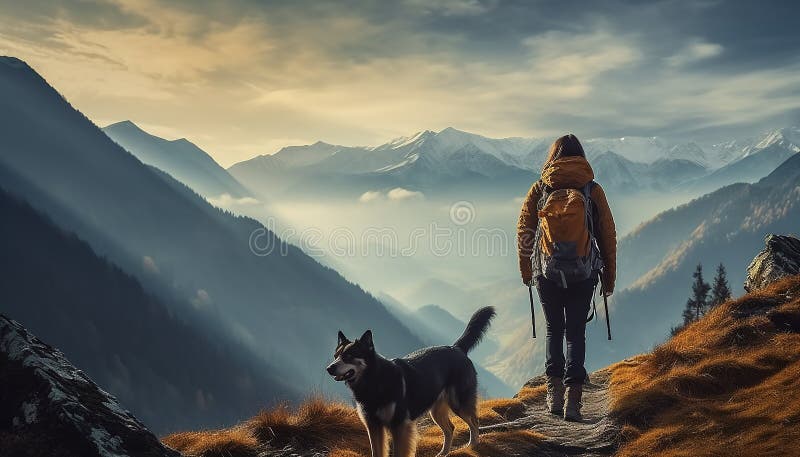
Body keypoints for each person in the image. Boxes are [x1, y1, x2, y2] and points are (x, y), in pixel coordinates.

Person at [516, 134, 616, 421]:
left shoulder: (540, 188)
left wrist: (526, 270)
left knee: (554, 331)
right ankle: (574, 402)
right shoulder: (592, 190)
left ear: (552, 157)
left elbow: (524, 231)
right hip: (584, 273)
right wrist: (609, 278)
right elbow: (606, 235)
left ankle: (554, 396)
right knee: (575, 334)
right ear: (581, 157)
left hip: (546, 272)